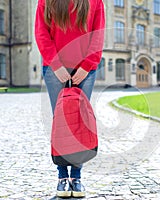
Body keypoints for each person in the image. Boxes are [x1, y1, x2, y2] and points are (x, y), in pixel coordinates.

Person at [35, 0, 105, 198]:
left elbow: (97, 35)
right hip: (54, 70)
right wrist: (56, 65)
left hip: (86, 70)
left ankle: (76, 177)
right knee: (62, 124)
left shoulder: (95, 2)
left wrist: (87, 65)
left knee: (79, 123)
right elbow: (41, 34)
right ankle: (62, 177)